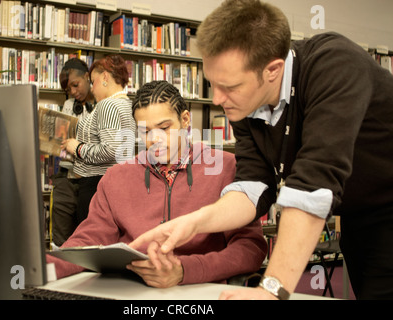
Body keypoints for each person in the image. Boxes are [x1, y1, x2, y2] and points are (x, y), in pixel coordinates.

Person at [130, 0, 393, 300]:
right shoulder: (246, 103)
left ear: (272, 70)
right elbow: (253, 187)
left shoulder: (335, 65)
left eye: (229, 86)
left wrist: (271, 290)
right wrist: (194, 222)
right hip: (361, 218)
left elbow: (314, 184)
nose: (217, 99)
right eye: (212, 84)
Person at [47, 80, 268, 288]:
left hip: (201, 290)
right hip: (133, 291)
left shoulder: (226, 168)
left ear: (185, 120)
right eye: (145, 131)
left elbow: (250, 248)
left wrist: (184, 271)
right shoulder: (116, 177)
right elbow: (88, 240)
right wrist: (42, 269)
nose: (155, 139)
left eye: (164, 128)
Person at [61, 54, 135, 225]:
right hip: (116, 183)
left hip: (96, 185)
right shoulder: (127, 104)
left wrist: (77, 148)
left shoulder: (107, 105)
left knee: (90, 241)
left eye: (93, 82)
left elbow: (111, 150)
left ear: (105, 77)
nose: (92, 89)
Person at [51, 58, 95, 246]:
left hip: (90, 179)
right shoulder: (69, 105)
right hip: (66, 176)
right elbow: (62, 145)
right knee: (61, 238)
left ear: (87, 76)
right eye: (69, 90)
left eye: (76, 85)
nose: (74, 92)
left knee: (87, 237)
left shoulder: (104, 106)